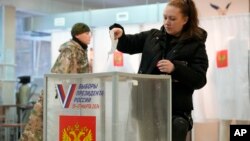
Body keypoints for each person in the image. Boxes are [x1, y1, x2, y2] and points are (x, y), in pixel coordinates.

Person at [109, 0, 208, 140]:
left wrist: (175, 68)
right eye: (165, 17)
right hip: (146, 107)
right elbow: (128, 44)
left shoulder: (196, 45)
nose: (167, 22)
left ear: (185, 19)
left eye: (172, 18)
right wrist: (120, 34)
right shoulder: (152, 36)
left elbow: (199, 79)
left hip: (176, 111)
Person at [20, 22, 92, 141]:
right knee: (38, 131)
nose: (90, 36)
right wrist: (63, 101)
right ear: (78, 35)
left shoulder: (79, 51)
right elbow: (60, 76)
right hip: (59, 99)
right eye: (87, 33)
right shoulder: (70, 50)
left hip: (67, 99)